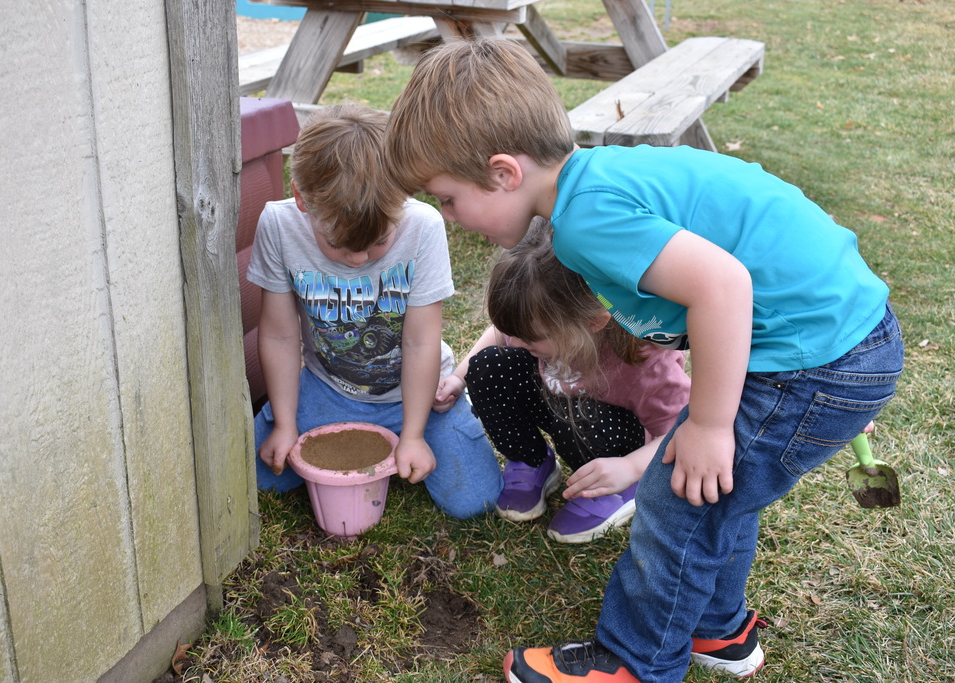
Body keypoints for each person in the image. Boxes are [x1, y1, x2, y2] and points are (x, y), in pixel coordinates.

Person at [384, 38, 904, 683]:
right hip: (832, 346)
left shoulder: (588, 219)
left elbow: (723, 287)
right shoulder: (593, 184)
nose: (449, 218)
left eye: (448, 198)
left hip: (814, 360)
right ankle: (717, 633)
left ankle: (634, 661)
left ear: (502, 172)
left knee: (677, 497)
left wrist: (709, 425)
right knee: (716, 493)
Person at [247, 102, 502, 520]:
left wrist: (415, 434)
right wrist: (285, 423)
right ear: (301, 199)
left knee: (475, 500)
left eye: (380, 243)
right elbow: (278, 333)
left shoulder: (423, 227)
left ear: (403, 196)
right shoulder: (278, 225)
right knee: (261, 477)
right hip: (328, 389)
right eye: (338, 246)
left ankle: (434, 425)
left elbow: (421, 341)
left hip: (417, 394)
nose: (358, 259)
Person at [435, 220, 690, 543]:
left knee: (585, 419)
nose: (517, 341)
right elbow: (502, 333)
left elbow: (681, 431)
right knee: (486, 366)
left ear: (593, 322)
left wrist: (630, 467)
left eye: (532, 338)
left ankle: (616, 490)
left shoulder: (644, 362)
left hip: (613, 439)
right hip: (560, 406)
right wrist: (459, 377)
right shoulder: (541, 323)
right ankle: (532, 461)